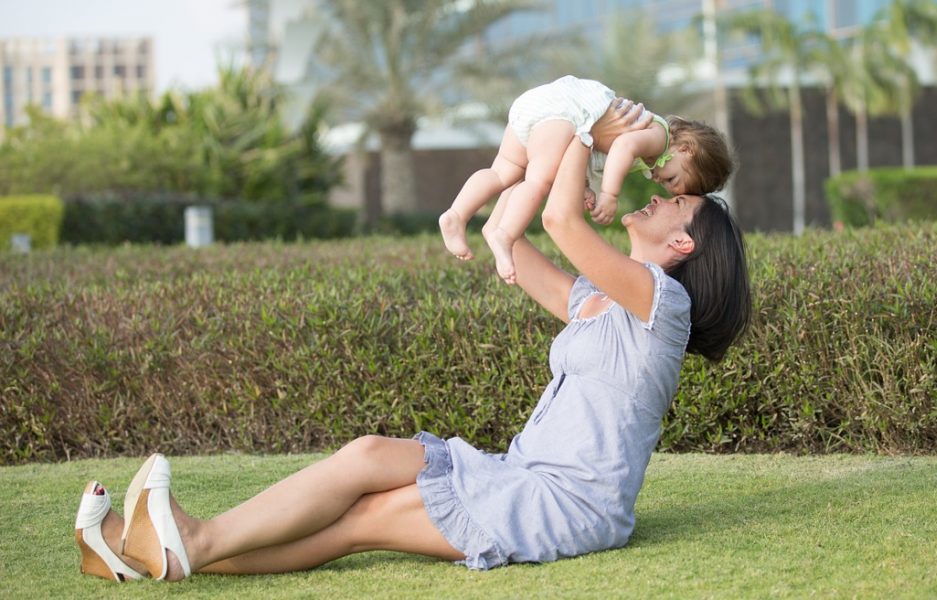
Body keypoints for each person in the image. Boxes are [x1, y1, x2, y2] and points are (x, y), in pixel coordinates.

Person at [72, 101, 752, 581]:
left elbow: (562, 220)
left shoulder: (665, 303)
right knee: (369, 457)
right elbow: (517, 240)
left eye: (677, 203)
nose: (660, 195)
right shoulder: (602, 301)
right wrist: (527, 161)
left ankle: (184, 544)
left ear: (682, 243)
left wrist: (584, 116)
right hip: (516, 470)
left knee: (368, 518)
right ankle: (143, 551)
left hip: (567, 505)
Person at [439, 75, 733, 284]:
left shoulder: (652, 148)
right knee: (539, 181)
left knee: (503, 171)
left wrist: (584, 186)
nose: (662, 184)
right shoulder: (659, 138)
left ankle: (456, 214)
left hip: (542, 107)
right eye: (672, 180)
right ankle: (504, 234)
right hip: (567, 112)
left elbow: (590, 149)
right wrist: (609, 195)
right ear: (686, 149)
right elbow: (620, 146)